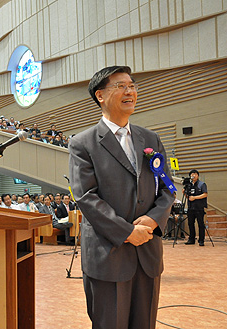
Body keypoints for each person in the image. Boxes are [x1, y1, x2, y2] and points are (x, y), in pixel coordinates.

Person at [69, 65, 174, 329]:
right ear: (100, 96)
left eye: (132, 85)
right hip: (109, 255)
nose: (130, 91)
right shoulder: (83, 143)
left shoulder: (150, 139)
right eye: (121, 86)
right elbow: (86, 197)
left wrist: (151, 221)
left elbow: (167, 188)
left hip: (148, 251)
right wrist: (127, 231)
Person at [184, 169, 208, 246]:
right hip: (191, 207)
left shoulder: (202, 184)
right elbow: (188, 197)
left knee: (200, 224)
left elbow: (205, 194)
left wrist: (195, 198)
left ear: (197, 175)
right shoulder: (189, 185)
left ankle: (201, 240)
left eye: (195, 174)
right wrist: (184, 194)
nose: (193, 175)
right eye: (192, 174)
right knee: (190, 224)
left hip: (199, 207)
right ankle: (191, 239)